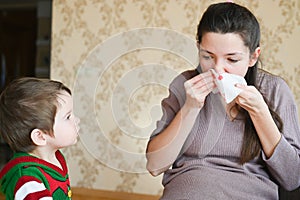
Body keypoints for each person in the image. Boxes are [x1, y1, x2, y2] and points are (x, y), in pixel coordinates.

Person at [146, 2, 300, 200]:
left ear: (253, 57)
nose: (218, 70)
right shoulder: (185, 85)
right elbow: (154, 165)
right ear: (198, 48)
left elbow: (293, 178)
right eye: (207, 56)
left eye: (232, 60)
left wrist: (261, 113)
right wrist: (190, 108)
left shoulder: (274, 90)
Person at [0, 77, 80, 200]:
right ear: (40, 136)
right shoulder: (27, 180)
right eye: (68, 116)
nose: (77, 120)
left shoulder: (55, 157)